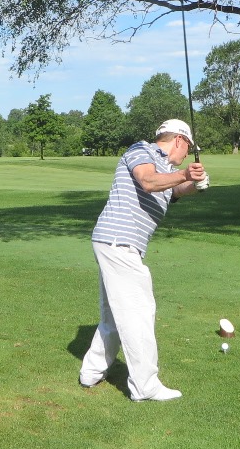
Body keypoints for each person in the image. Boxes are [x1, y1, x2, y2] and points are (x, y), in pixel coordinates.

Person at [79, 119, 208, 401]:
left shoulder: (166, 169)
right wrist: (185, 173)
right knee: (138, 310)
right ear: (179, 140)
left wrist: (194, 183)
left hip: (115, 241)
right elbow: (148, 182)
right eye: (187, 147)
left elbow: (173, 190)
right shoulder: (142, 150)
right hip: (119, 241)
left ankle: (91, 371)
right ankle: (144, 385)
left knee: (114, 314)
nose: (187, 153)